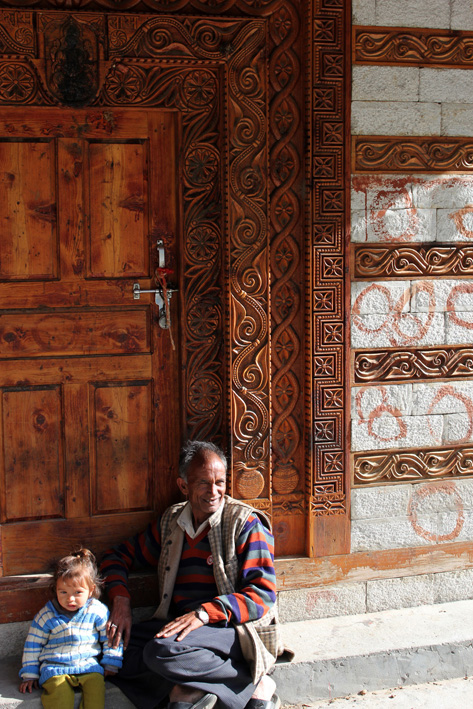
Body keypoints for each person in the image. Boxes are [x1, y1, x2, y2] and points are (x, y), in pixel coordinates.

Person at [100, 440, 284, 709]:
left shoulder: (245, 523)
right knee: (113, 650)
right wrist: (121, 600)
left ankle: (252, 683)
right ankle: (189, 689)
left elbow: (262, 594)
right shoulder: (172, 522)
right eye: (203, 483)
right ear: (183, 486)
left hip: (232, 630)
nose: (214, 491)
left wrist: (205, 614)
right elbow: (116, 556)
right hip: (184, 631)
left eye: (220, 482)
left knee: (161, 652)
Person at [19, 548, 123, 709]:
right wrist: (30, 674)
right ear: (55, 589)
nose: (70, 599)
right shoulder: (46, 615)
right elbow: (33, 644)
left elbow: (110, 636)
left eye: (78, 592)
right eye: (63, 592)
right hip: (55, 667)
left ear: (91, 590)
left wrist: (111, 661)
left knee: (96, 692)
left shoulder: (97, 611)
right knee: (59, 698)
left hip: (88, 666)